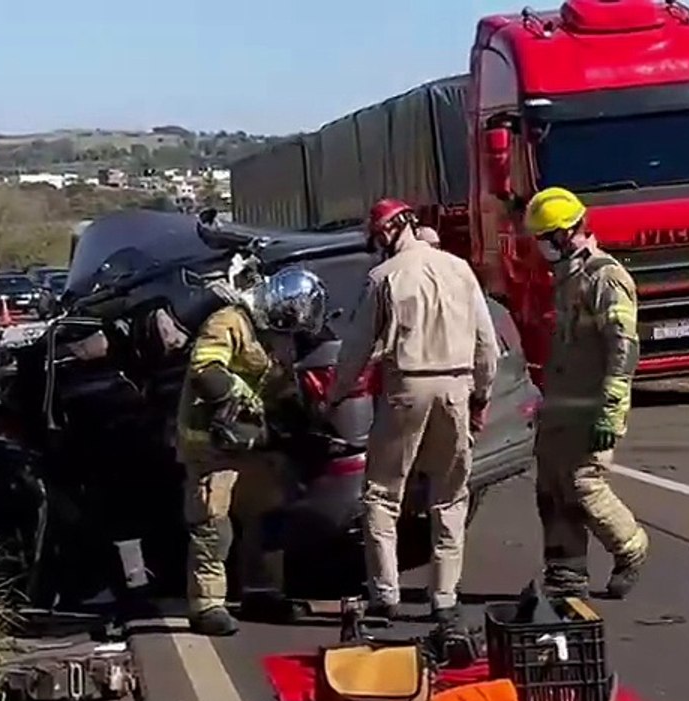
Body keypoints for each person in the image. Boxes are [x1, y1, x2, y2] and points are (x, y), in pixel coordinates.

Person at [329, 199, 498, 625]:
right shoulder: (459, 269)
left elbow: (356, 350)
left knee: (383, 495)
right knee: (451, 496)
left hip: (406, 387)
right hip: (456, 388)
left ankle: (384, 595)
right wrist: (480, 397)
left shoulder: (383, 277)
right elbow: (487, 345)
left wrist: (333, 396)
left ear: (385, 233)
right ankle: (444, 598)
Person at [178, 265, 328, 636]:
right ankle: (207, 605)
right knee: (214, 523)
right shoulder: (228, 322)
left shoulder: (279, 337)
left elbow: (280, 385)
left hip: (250, 443)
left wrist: (299, 424)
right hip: (210, 442)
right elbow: (205, 369)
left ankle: (263, 593)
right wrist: (237, 397)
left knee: (270, 516)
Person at [523, 187, 648, 600]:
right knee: (552, 490)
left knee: (583, 484)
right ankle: (566, 573)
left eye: (544, 238)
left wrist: (611, 413)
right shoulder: (566, 280)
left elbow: (623, 348)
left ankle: (630, 547)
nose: (539, 247)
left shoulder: (605, 278)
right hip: (561, 407)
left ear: (565, 234)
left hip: (592, 407)